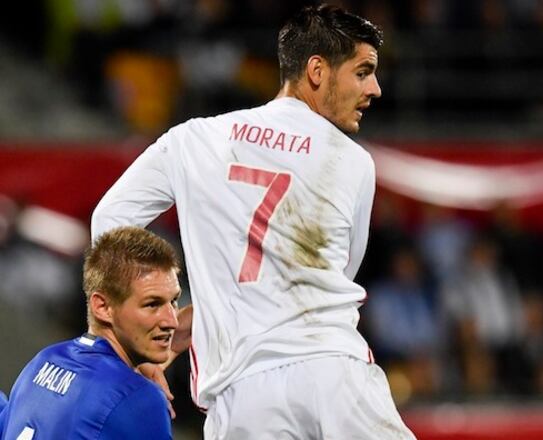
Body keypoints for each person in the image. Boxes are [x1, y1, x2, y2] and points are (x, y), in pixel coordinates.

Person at [91, 4, 416, 439]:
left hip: (244, 397)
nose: (375, 88)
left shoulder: (194, 139)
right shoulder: (354, 162)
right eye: (363, 71)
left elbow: (109, 221)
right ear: (317, 71)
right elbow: (333, 276)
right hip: (338, 379)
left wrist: (145, 334)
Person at [0, 226, 181, 439]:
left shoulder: (43, 361)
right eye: (152, 304)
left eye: (174, 301)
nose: (172, 321)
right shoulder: (137, 397)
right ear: (102, 307)